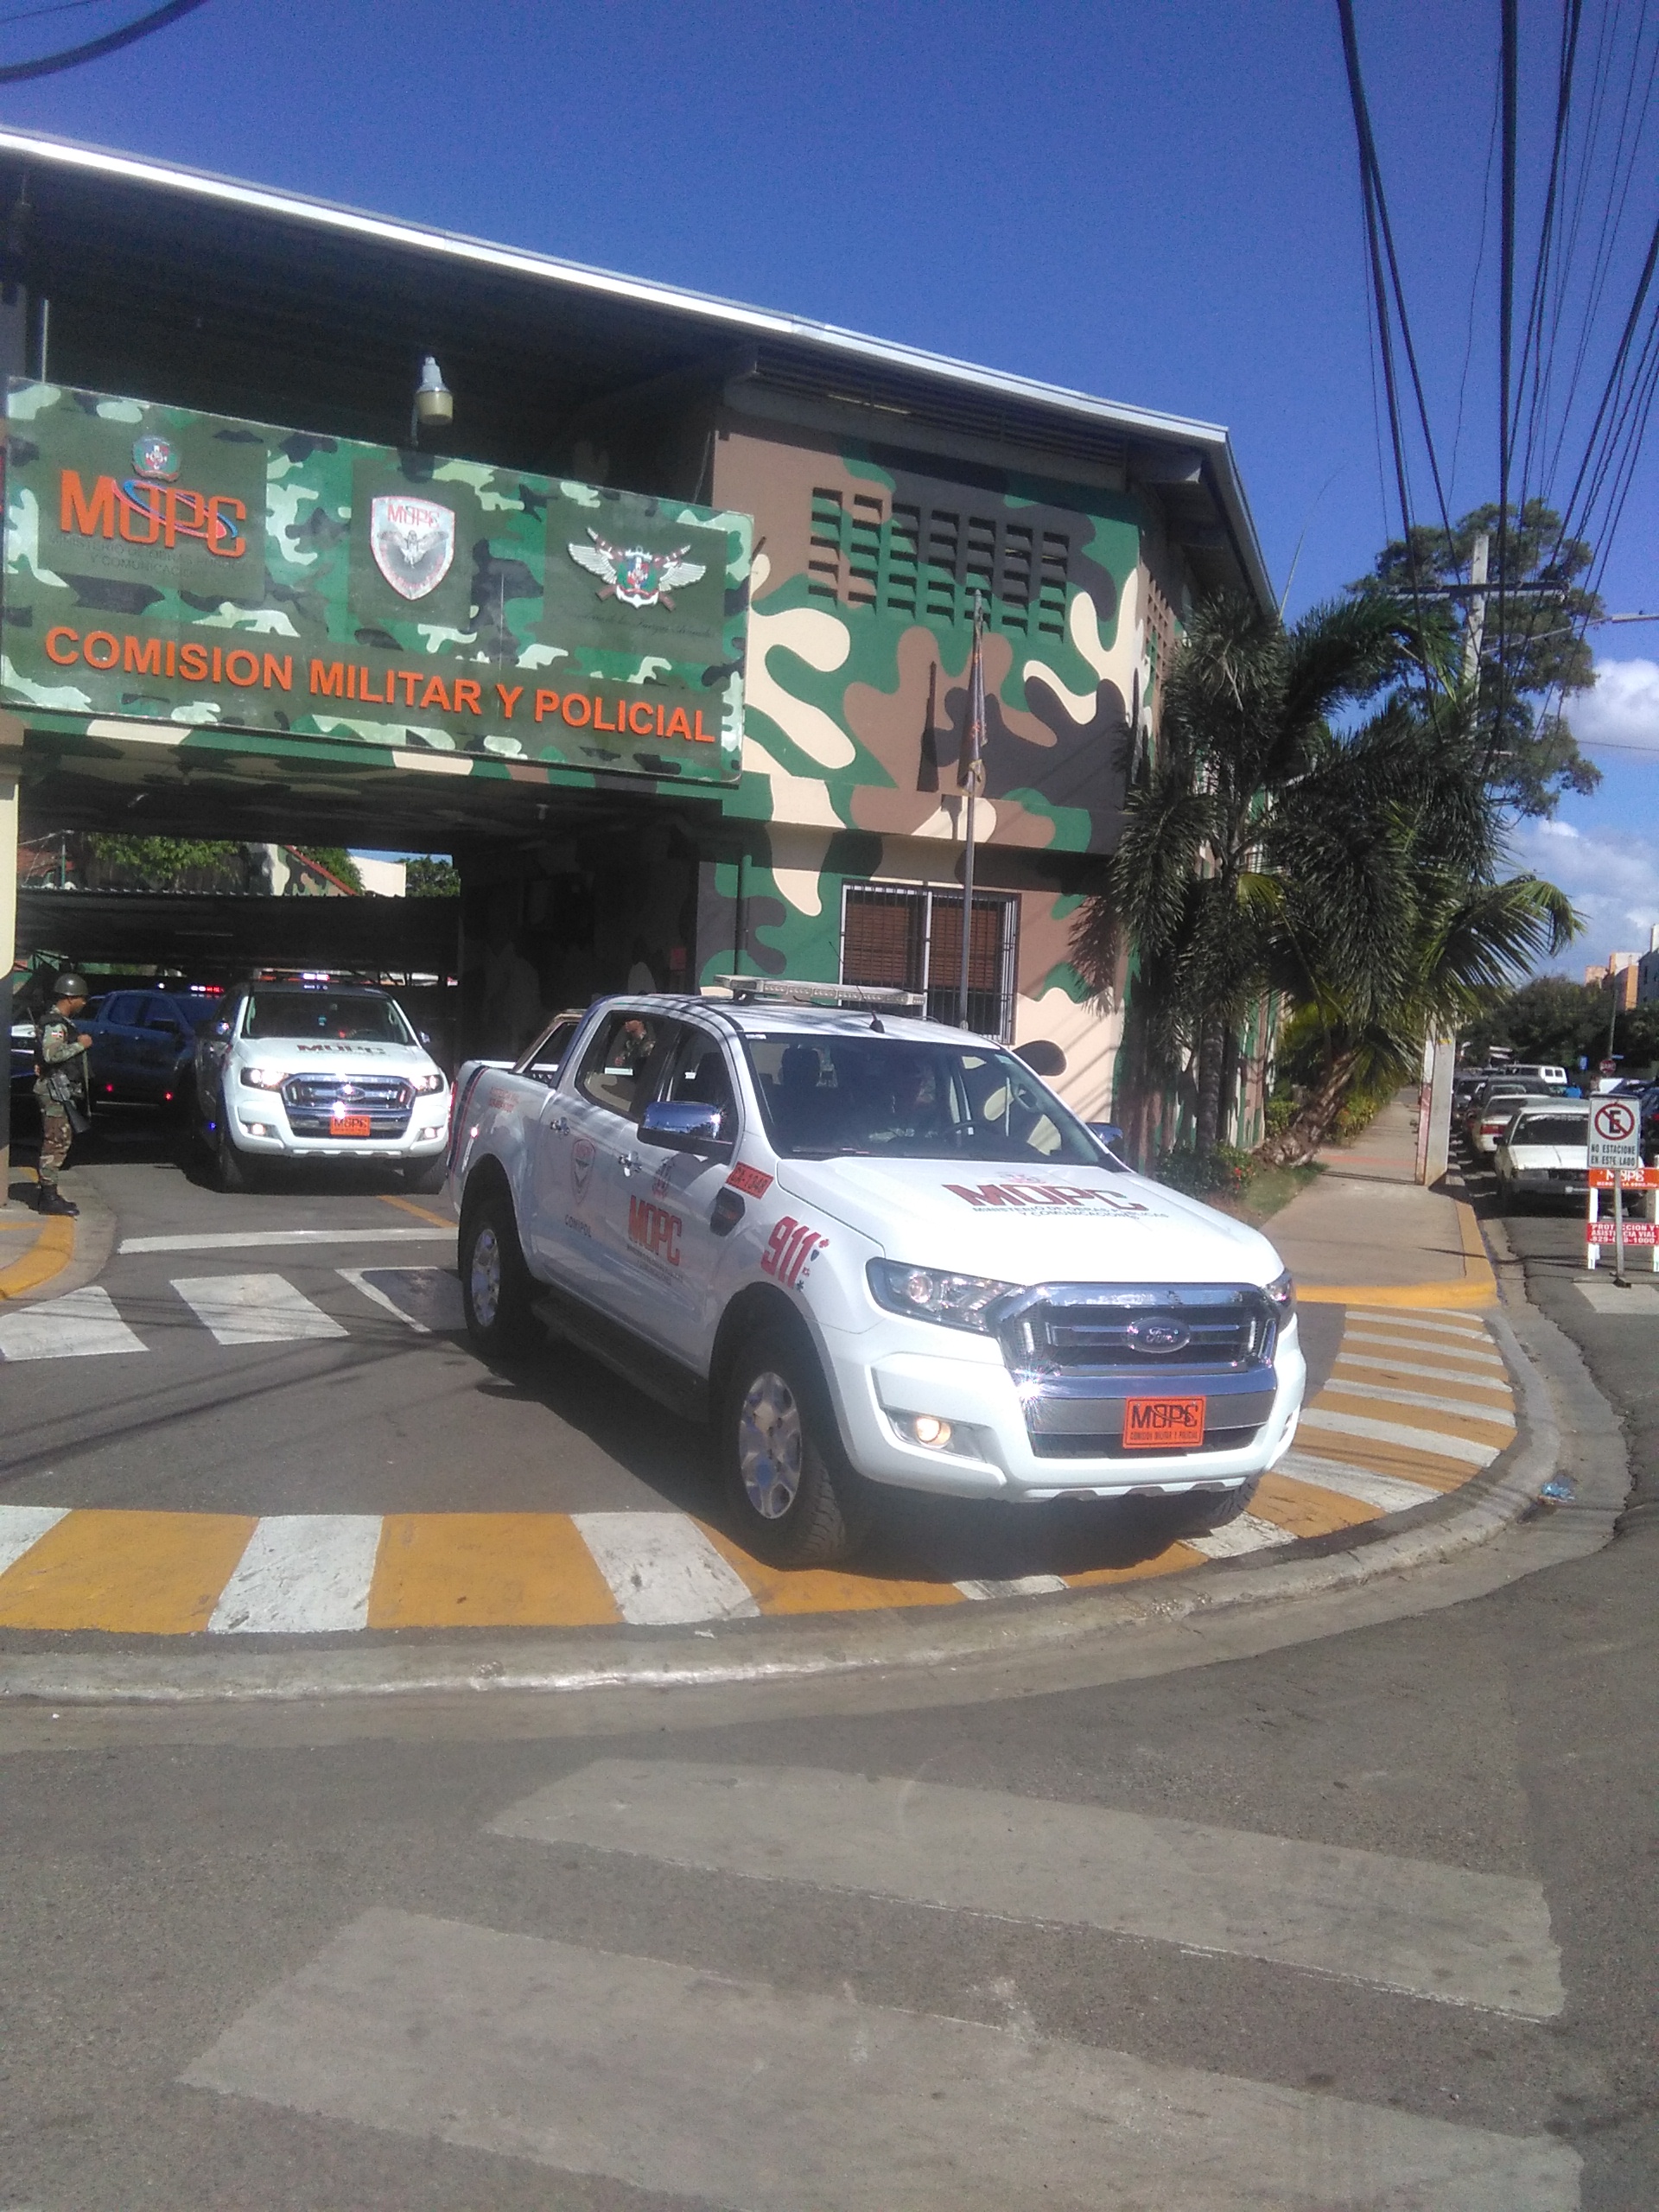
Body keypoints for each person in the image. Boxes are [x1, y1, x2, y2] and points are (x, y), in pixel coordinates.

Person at [33, 972, 92, 1217]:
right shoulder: (56, 1024)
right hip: (54, 1091)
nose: (84, 1003)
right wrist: (82, 1045)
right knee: (56, 1142)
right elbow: (51, 1055)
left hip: (61, 1089)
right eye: (81, 998)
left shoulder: (62, 1023)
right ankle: (48, 1198)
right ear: (70, 998)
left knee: (61, 1140)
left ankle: (49, 1193)